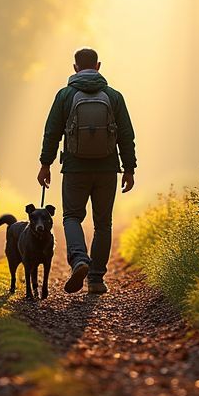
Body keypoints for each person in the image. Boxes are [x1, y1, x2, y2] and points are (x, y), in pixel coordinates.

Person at [37, 47, 136, 295]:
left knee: (72, 217)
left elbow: (52, 132)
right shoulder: (113, 96)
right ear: (98, 66)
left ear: (75, 68)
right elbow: (126, 136)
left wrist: (45, 164)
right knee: (103, 223)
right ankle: (96, 280)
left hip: (74, 169)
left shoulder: (65, 95)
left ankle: (79, 259)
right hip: (107, 169)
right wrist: (129, 168)